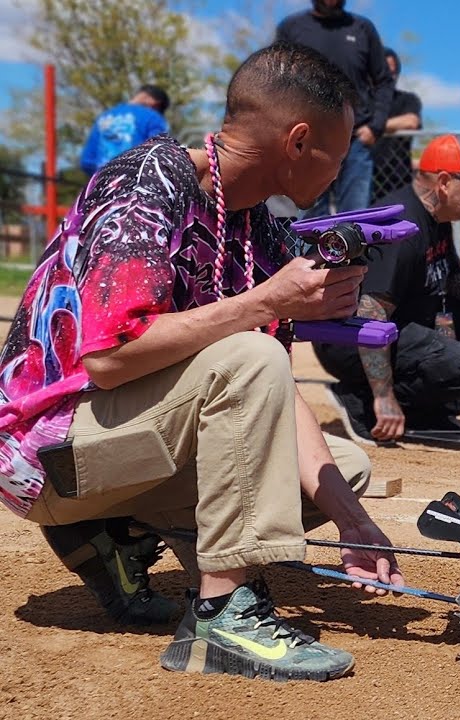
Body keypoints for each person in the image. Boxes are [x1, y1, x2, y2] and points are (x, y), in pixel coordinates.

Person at [2, 43, 403, 681]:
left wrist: (356, 524)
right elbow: (109, 357)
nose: (345, 166)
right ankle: (222, 618)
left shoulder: (250, 225)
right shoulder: (149, 182)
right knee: (249, 353)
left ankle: (115, 535)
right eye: (341, 150)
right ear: (298, 142)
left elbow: (264, 386)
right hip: (42, 455)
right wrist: (266, 300)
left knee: (340, 470)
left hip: (113, 442)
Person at [315, 134, 460, 446]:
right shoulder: (402, 226)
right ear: (444, 182)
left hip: (392, 327)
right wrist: (384, 395)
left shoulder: (437, 216)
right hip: (349, 339)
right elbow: (371, 314)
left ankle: (428, 414)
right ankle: (361, 400)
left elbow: (452, 278)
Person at [277, 0, 394, 216]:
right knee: (309, 220)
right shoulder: (292, 27)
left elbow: (384, 80)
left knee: (354, 221)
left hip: (356, 141)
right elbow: (278, 79)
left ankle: (352, 250)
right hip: (308, 142)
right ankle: (310, 251)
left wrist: (376, 126)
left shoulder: (362, 28)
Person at [79, 84, 170, 175]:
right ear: (155, 102)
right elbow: (158, 153)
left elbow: (87, 161)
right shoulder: (153, 117)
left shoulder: (104, 117)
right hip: (135, 181)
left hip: (102, 181)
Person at [370, 47, 423, 202]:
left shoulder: (407, 100)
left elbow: (411, 122)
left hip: (398, 177)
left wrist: (373, 126)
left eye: (393, 71)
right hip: (366, 176)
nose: (389, 75)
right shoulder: (363, 103)